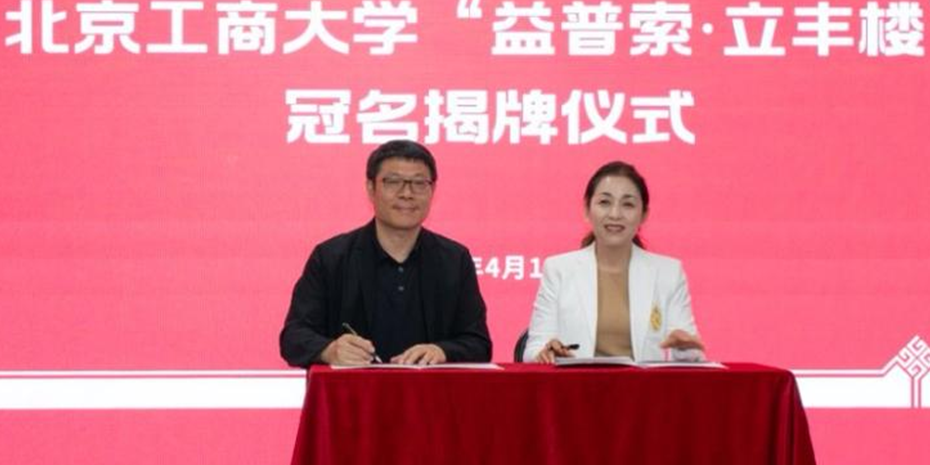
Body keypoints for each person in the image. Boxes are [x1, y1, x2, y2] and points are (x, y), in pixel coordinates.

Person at [279, 140, 492, 367]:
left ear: (432, 190)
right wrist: (329, 350)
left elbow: (479, 344)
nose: (407, 193)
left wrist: (442, 351)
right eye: (393, 182)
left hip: (429, 389)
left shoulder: (454, 260)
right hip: (354, 389)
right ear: (371, 188)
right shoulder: (331, 258)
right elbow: (293, 337)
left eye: (419, 183)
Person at [522, 160, 704, 363]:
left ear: (644, 214)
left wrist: (686, 349)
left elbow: (691, 358)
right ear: (587, 209)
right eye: (604, 202)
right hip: (578, 382)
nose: (615, 214)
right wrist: (546, 354)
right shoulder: (559, 269)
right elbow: (533, 350)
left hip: (643, 383)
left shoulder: (668, 272)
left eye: (628, 204)